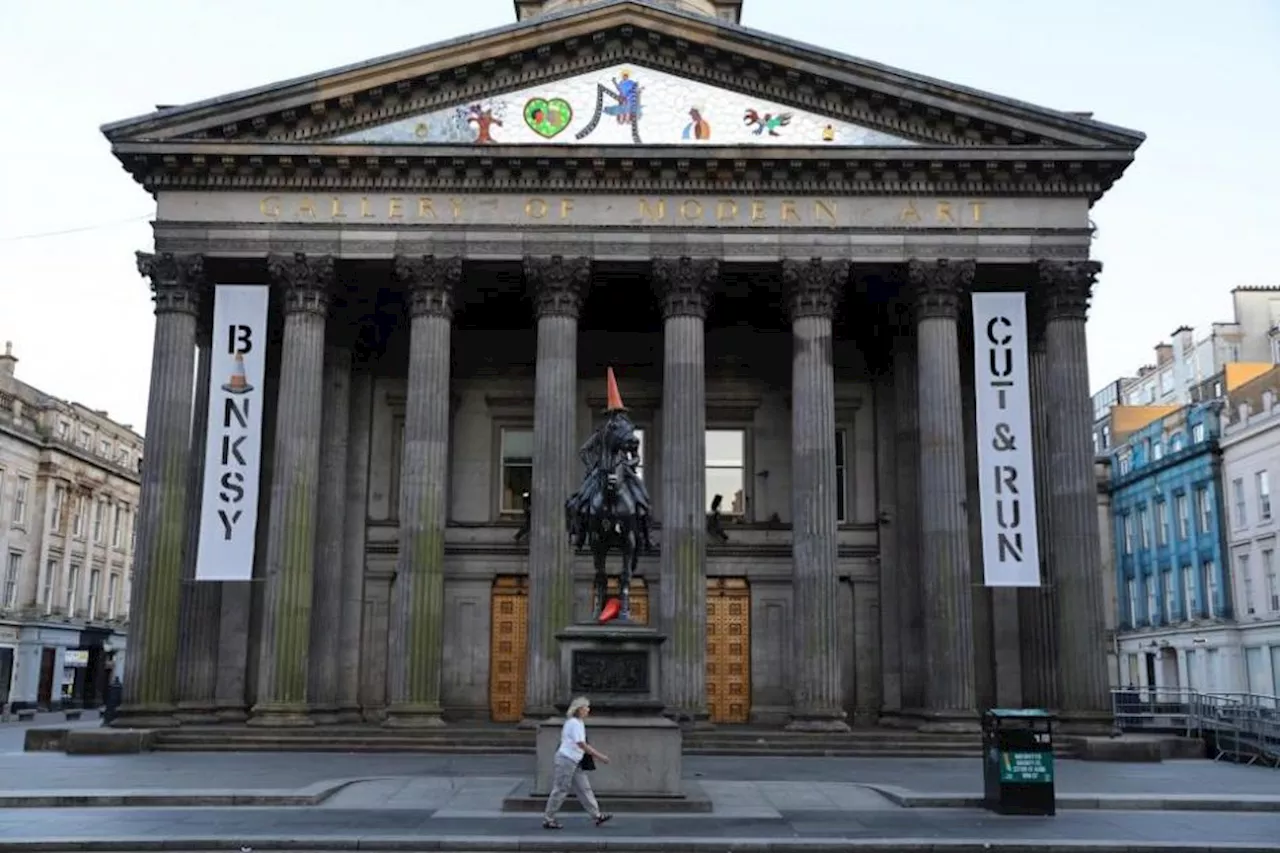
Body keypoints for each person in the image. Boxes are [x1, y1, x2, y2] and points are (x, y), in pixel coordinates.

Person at [542, 696, 613, 829]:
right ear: (579, 709)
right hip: (566, 760)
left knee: (584, 788)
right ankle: (548, 818)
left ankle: (597, 815)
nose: (588, 709)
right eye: (585, 707)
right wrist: (600, 756)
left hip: (574, 761)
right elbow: (581, 744)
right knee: (561, 789)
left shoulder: (578, 723)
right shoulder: (574, 723)